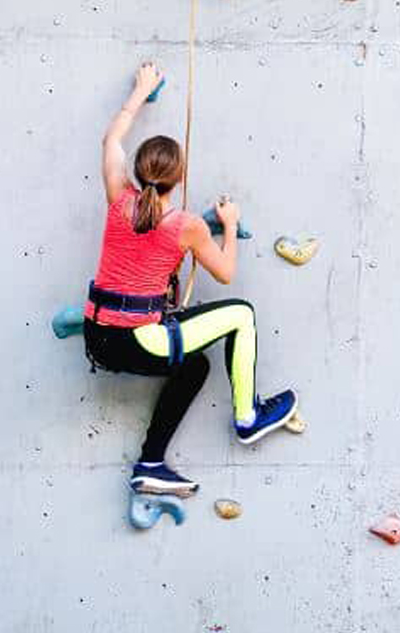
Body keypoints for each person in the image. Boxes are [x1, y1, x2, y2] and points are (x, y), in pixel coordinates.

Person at [83, 62, 297, 497]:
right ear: (178, 179)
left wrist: (141, 90)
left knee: (194, 367)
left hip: (98, 338)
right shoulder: (184, 224)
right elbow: (225, 272)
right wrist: (231, 224)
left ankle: (151, 463)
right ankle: (248, 418)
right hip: (141, 341)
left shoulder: (117, 197)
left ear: (139, 172)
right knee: (241, 314)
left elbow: (111, 140)